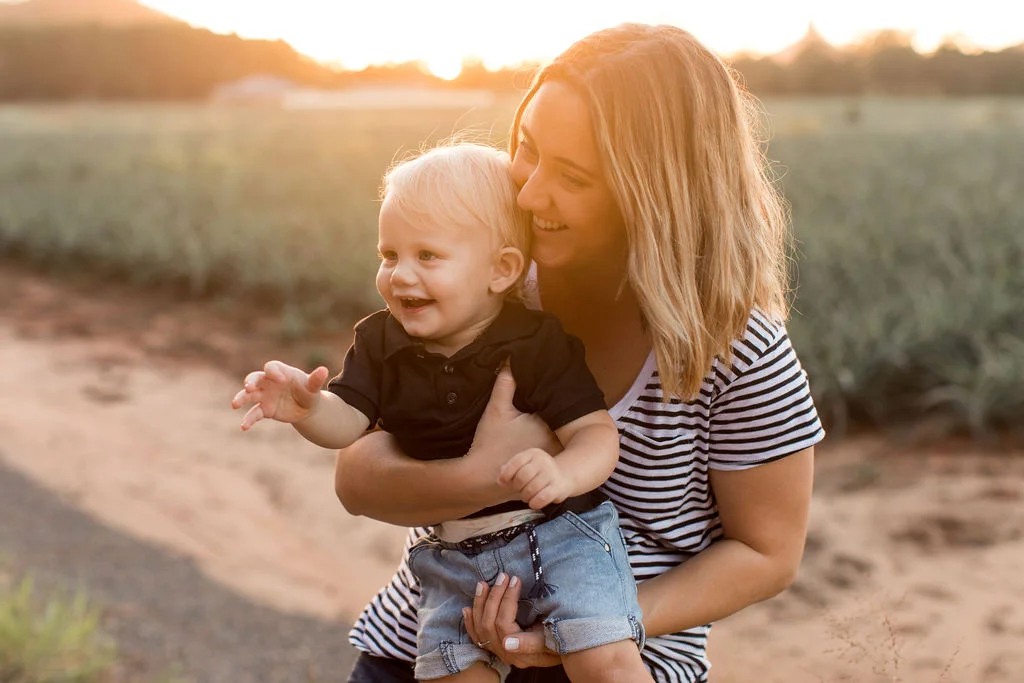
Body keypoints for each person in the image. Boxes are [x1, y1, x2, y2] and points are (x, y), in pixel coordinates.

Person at [335, 22, 825, 683]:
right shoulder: (490, 297)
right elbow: (357, 476)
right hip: (433, 645)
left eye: (571, 174)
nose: (531, 193)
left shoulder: (739, 351)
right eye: (528, 150)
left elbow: (769, 551)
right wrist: (485, 473)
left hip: (617, 656)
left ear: (653, 191)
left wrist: (593, 623)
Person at [231, 143, 654, 682]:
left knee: (602, 655)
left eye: (427, 256)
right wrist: (307, 409)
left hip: (559, 534)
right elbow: (349, 425)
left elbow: (596, 432)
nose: (400, 276)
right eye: (389, 255)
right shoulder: (381, 341)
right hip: (455, 558)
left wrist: (563, 472)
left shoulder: (535, 342)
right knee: (449, 671)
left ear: (501, 271)